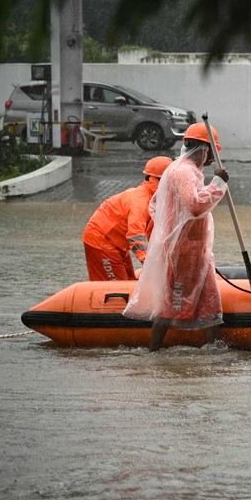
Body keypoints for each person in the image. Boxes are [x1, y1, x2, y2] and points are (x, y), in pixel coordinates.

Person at [123, 123, 229, 351]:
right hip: (183, 250)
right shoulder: (183, 172)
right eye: (212, 152)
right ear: (202, 149)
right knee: (171, 301)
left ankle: (212, 348)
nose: (212, 159)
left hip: (193, 247)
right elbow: (195, 206)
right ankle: (154, 350)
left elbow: (156, 205)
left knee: (211, 299)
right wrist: (218, 184)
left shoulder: (180, 170)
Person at [82, 155, 172, 281]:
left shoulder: (153, 200)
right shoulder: (140, 201)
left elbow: (151, 234)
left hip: (115, 242)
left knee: (129, 282)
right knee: (117, 290)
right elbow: (136, 234)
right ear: (160, 181)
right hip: (102, 241)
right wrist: (148, 262)